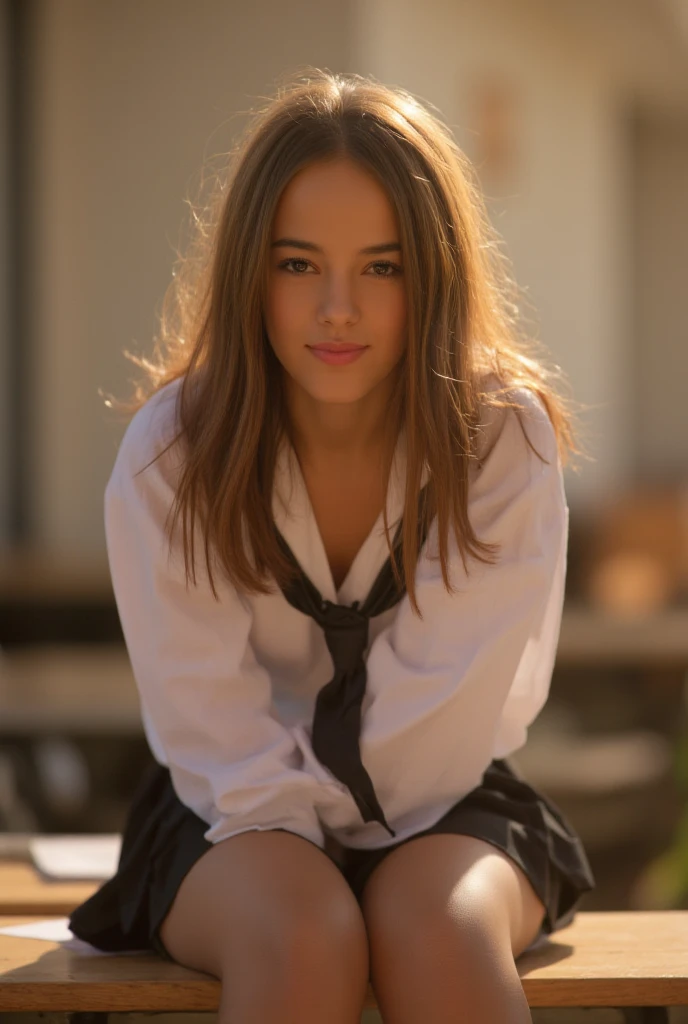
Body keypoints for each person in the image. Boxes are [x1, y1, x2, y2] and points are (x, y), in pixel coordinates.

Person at [69, 69, 595, 1023]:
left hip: (445, 796)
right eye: (299, 264)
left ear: (432, 273)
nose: (338, 308)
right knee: (305, 931)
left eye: (382, 267)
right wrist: (311, 862)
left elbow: (455, 715)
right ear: (249, 271)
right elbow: (211, 724)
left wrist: (362, 865)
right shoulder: (173, 452)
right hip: (229, 806)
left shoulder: (500, 442)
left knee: (436, 929)